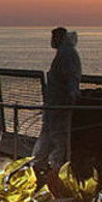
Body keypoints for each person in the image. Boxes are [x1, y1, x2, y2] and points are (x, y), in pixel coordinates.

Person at [33, 26, 81, 171]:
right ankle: (40, 165)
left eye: (53, 38)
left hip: (60, 105)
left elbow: (71, 77)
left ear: (58, 38)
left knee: (58, 139)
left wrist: (72, 95)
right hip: (55, 105)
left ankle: (56, 169)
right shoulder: (64, 53)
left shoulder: (66, 54)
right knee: (51, 136)